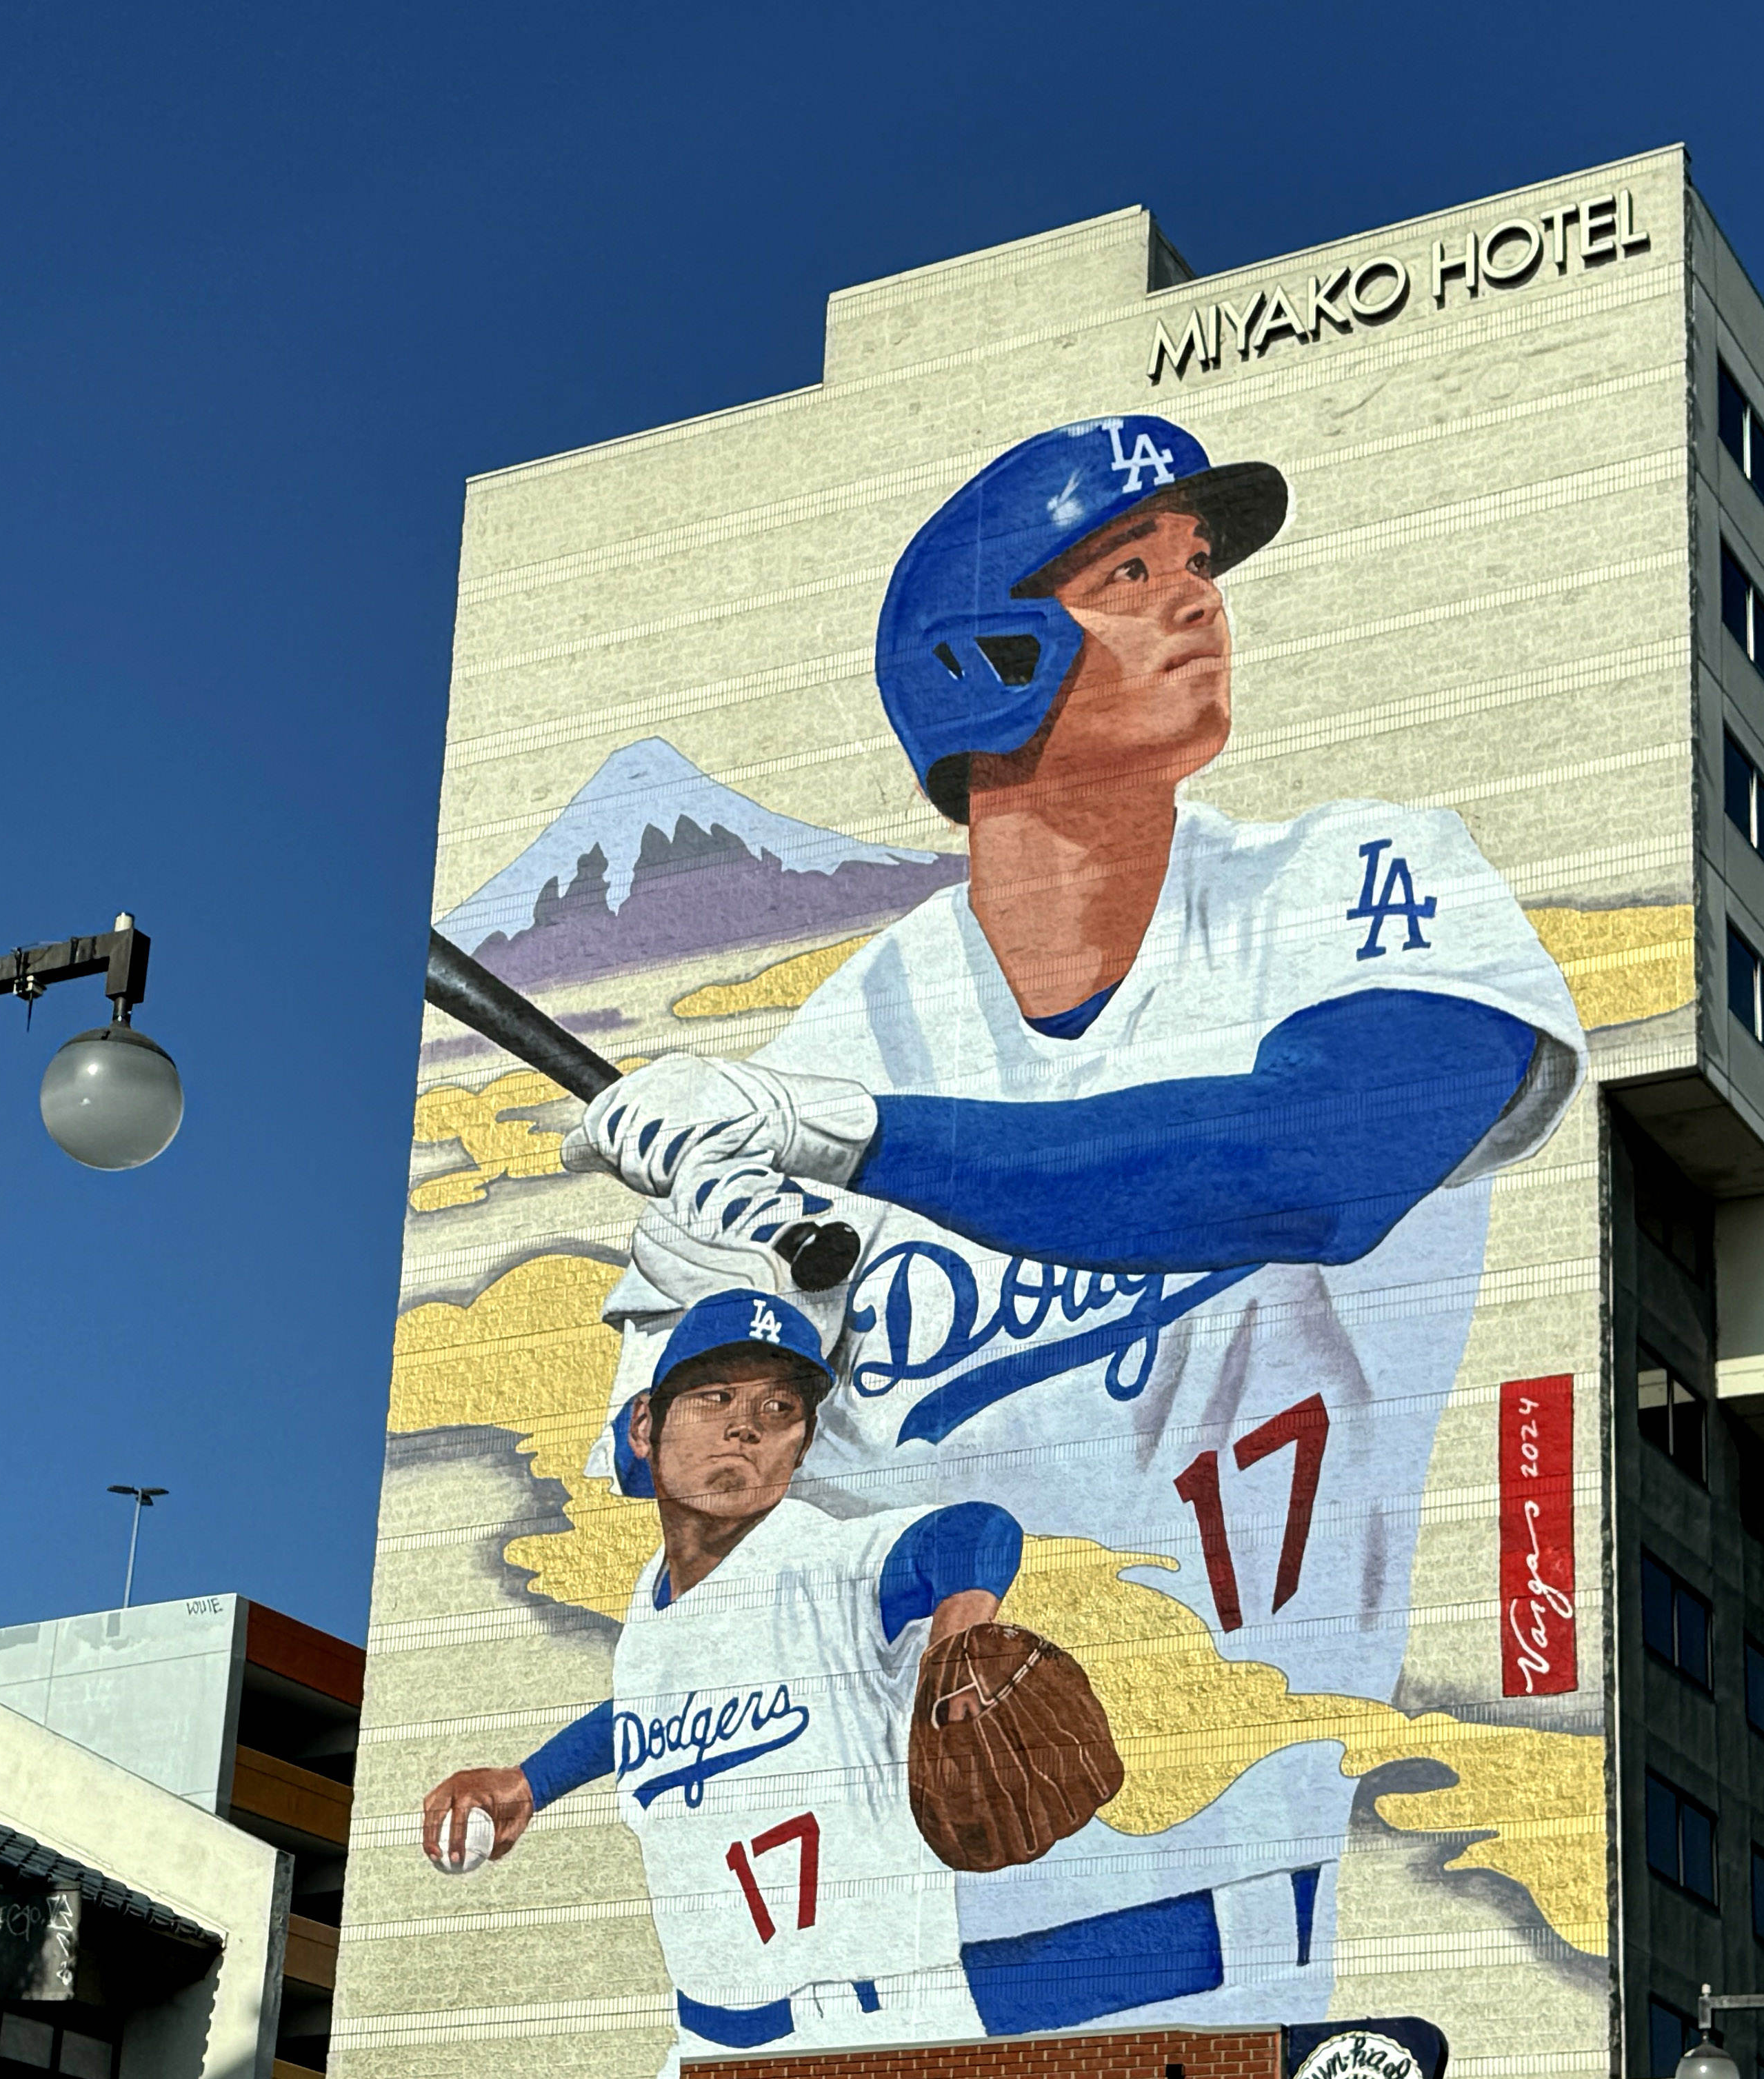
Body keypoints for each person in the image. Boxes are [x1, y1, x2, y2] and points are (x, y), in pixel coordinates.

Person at [570, 414, 1588, 1724]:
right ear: (981, 663)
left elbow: (1327, 1161)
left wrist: (852, 1136)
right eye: (1131, 574)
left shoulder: (1351, 879)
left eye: (1199, 562)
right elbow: (672, 1497)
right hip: (904, 1835)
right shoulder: (824, 1051)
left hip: (1241, 1786)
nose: (1201, 601)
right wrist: (713, 1331)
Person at [417, 1290, 1044, 2067]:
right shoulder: (657, 1600)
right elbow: (643, 1713)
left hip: (869, 2029)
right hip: (705, 2044)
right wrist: (529, 1782)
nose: (746, 1425)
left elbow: (973, 1532)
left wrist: (957, 1651)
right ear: (646, 1426)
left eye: (780, 1407)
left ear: (800, 1448)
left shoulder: (822, 1566)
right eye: (716, 1396)